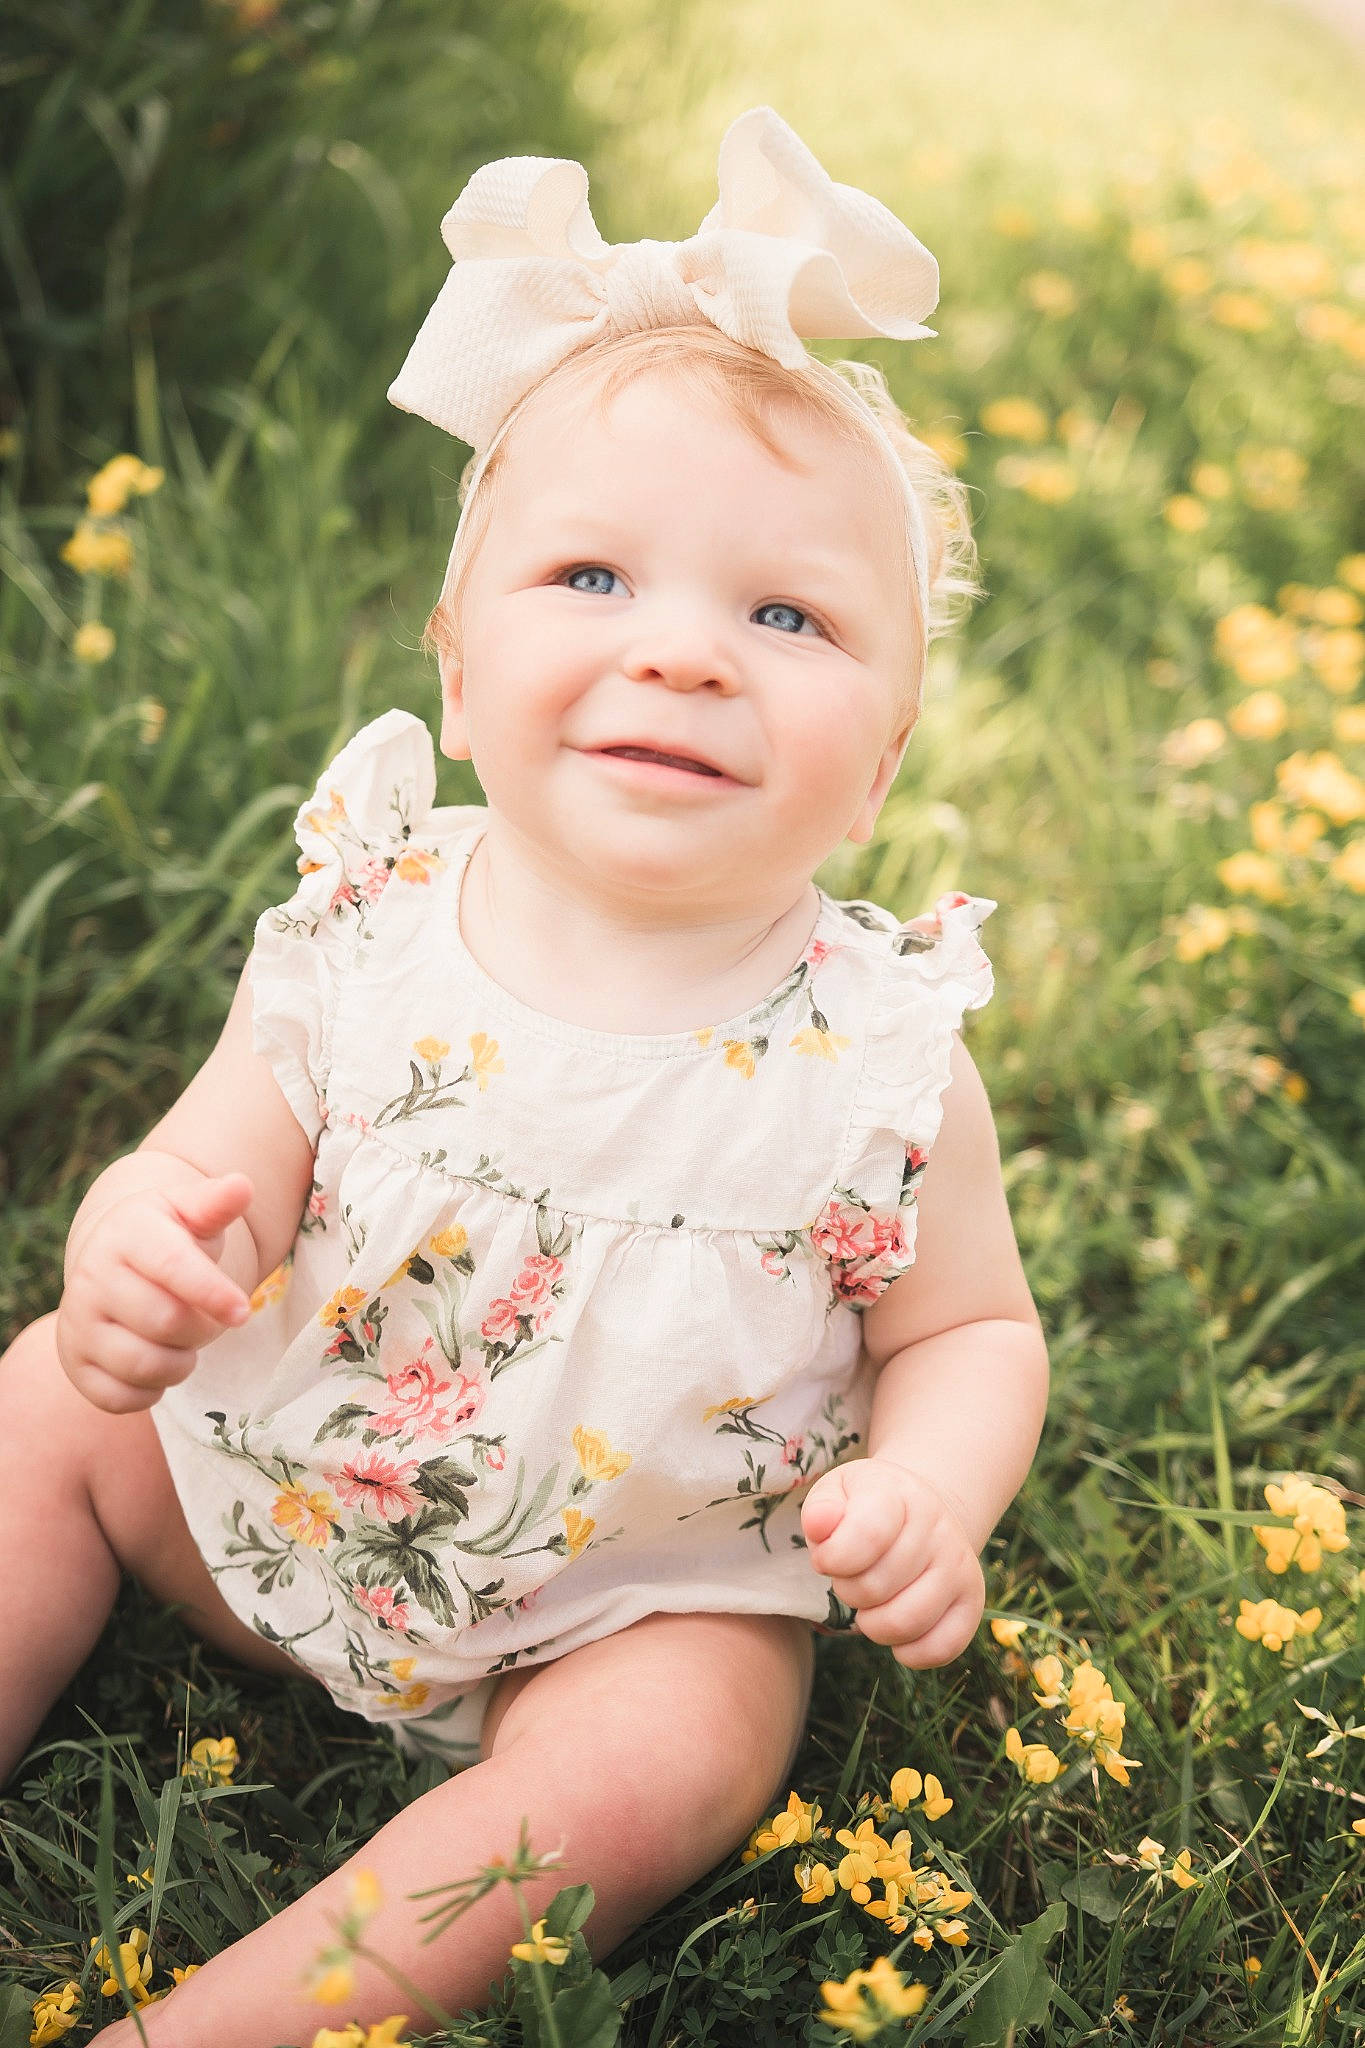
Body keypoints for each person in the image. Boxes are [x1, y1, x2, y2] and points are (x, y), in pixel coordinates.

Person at [0, 106, 1050, 2044]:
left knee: (683, 1746)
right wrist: (137, 1242)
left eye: (786, 615)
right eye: (589, 579)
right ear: (458, 678)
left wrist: (930, 1487)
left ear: (883, 758)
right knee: (40, 1413)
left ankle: (218, 2022)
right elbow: (203, 1163)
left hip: (620, 1603)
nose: (680, 656)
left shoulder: (883, 1056)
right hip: (271, 1488)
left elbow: (966, 1329)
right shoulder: (360, 922)